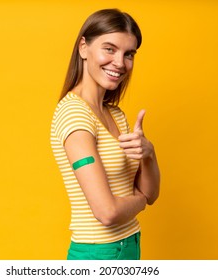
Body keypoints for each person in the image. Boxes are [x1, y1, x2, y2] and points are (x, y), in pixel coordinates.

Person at [50, 8, 160, 260]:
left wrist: (148, 154)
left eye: (128, 53)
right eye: (109, 49)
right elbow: (106, 212)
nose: (120, 63)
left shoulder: (116, 115)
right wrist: (139, 201)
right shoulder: (74, 116)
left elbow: (152, 193)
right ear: (83, 48)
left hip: (129, 245)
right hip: (98, 253)